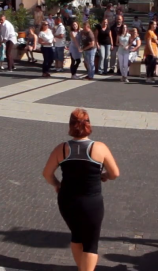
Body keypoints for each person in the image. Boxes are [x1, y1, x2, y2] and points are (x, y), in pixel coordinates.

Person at [43, 108, 120, 271]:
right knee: (91, 244)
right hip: (91, 201)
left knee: (77, 236)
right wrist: (105, 176)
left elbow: (47, 173)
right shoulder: (99, 147)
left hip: (67, 200)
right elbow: (115, 173)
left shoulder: (61, 149)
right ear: (88, 124)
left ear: (70, 125)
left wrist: (57, 184)